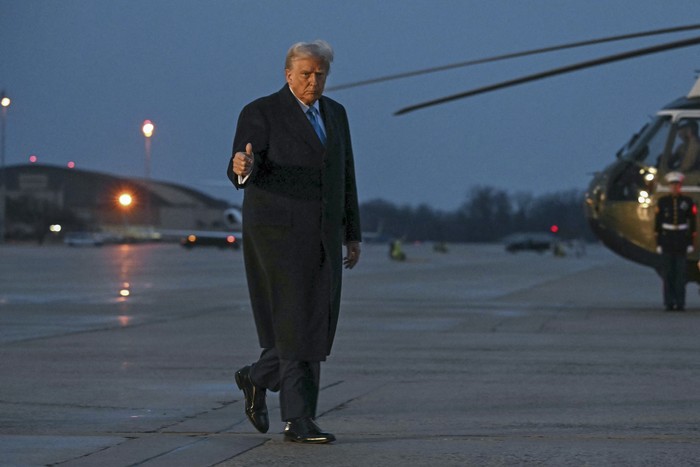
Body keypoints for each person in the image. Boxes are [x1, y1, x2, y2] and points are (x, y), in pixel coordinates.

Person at [226, 40, 361, 444]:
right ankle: (298, 420)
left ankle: (257, 377)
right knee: (295, 320)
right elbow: (241, 167)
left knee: (314, 319)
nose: (313, 81)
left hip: (323, 234)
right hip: (277, 235)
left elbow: (345, 177)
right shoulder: (261, 112)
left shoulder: (336, 114)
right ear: (288, 74)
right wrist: (242, 168)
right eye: (306, 74)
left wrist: (352, 232)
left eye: (320, 74)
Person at [654, 171, 697, 311]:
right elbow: (658, 224)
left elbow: (692, 223)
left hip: (681, 240)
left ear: (680, 186)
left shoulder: (687, 202)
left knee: (680, 274)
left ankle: (680, 302)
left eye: (677, 185)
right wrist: (659, 243)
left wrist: (690, 242)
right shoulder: (663, 202)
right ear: (669, 187)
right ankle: (669, 302)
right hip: (667, 240)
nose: (675, 188)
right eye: (672, 185)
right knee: (668, 274)